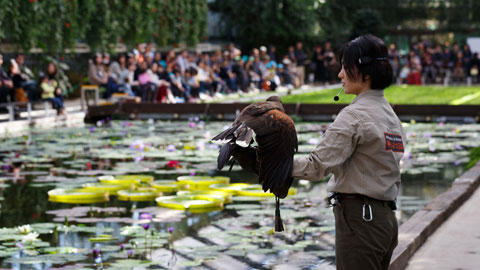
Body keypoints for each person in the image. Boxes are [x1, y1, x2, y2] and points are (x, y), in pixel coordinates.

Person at [291, 34, 404, 270]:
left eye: (345, 68)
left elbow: (315, 167)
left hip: (360, 221)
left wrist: (268, 162)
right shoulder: (389, 114)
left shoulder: (354, 116)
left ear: (366, 72)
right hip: (385, 221)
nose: (340, 74)